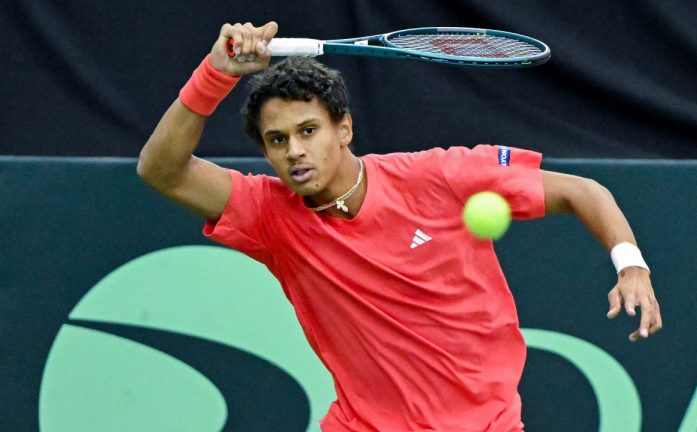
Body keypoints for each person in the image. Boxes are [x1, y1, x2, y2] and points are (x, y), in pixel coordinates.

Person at [137, 21, 661, 432]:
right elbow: (160, 170)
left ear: (344, 129)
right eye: (277, 140)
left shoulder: (440, 176)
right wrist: (215, 73)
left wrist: (631, 265)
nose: (294, 150)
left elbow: (581, 191)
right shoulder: (270, 215)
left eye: (308, 130)